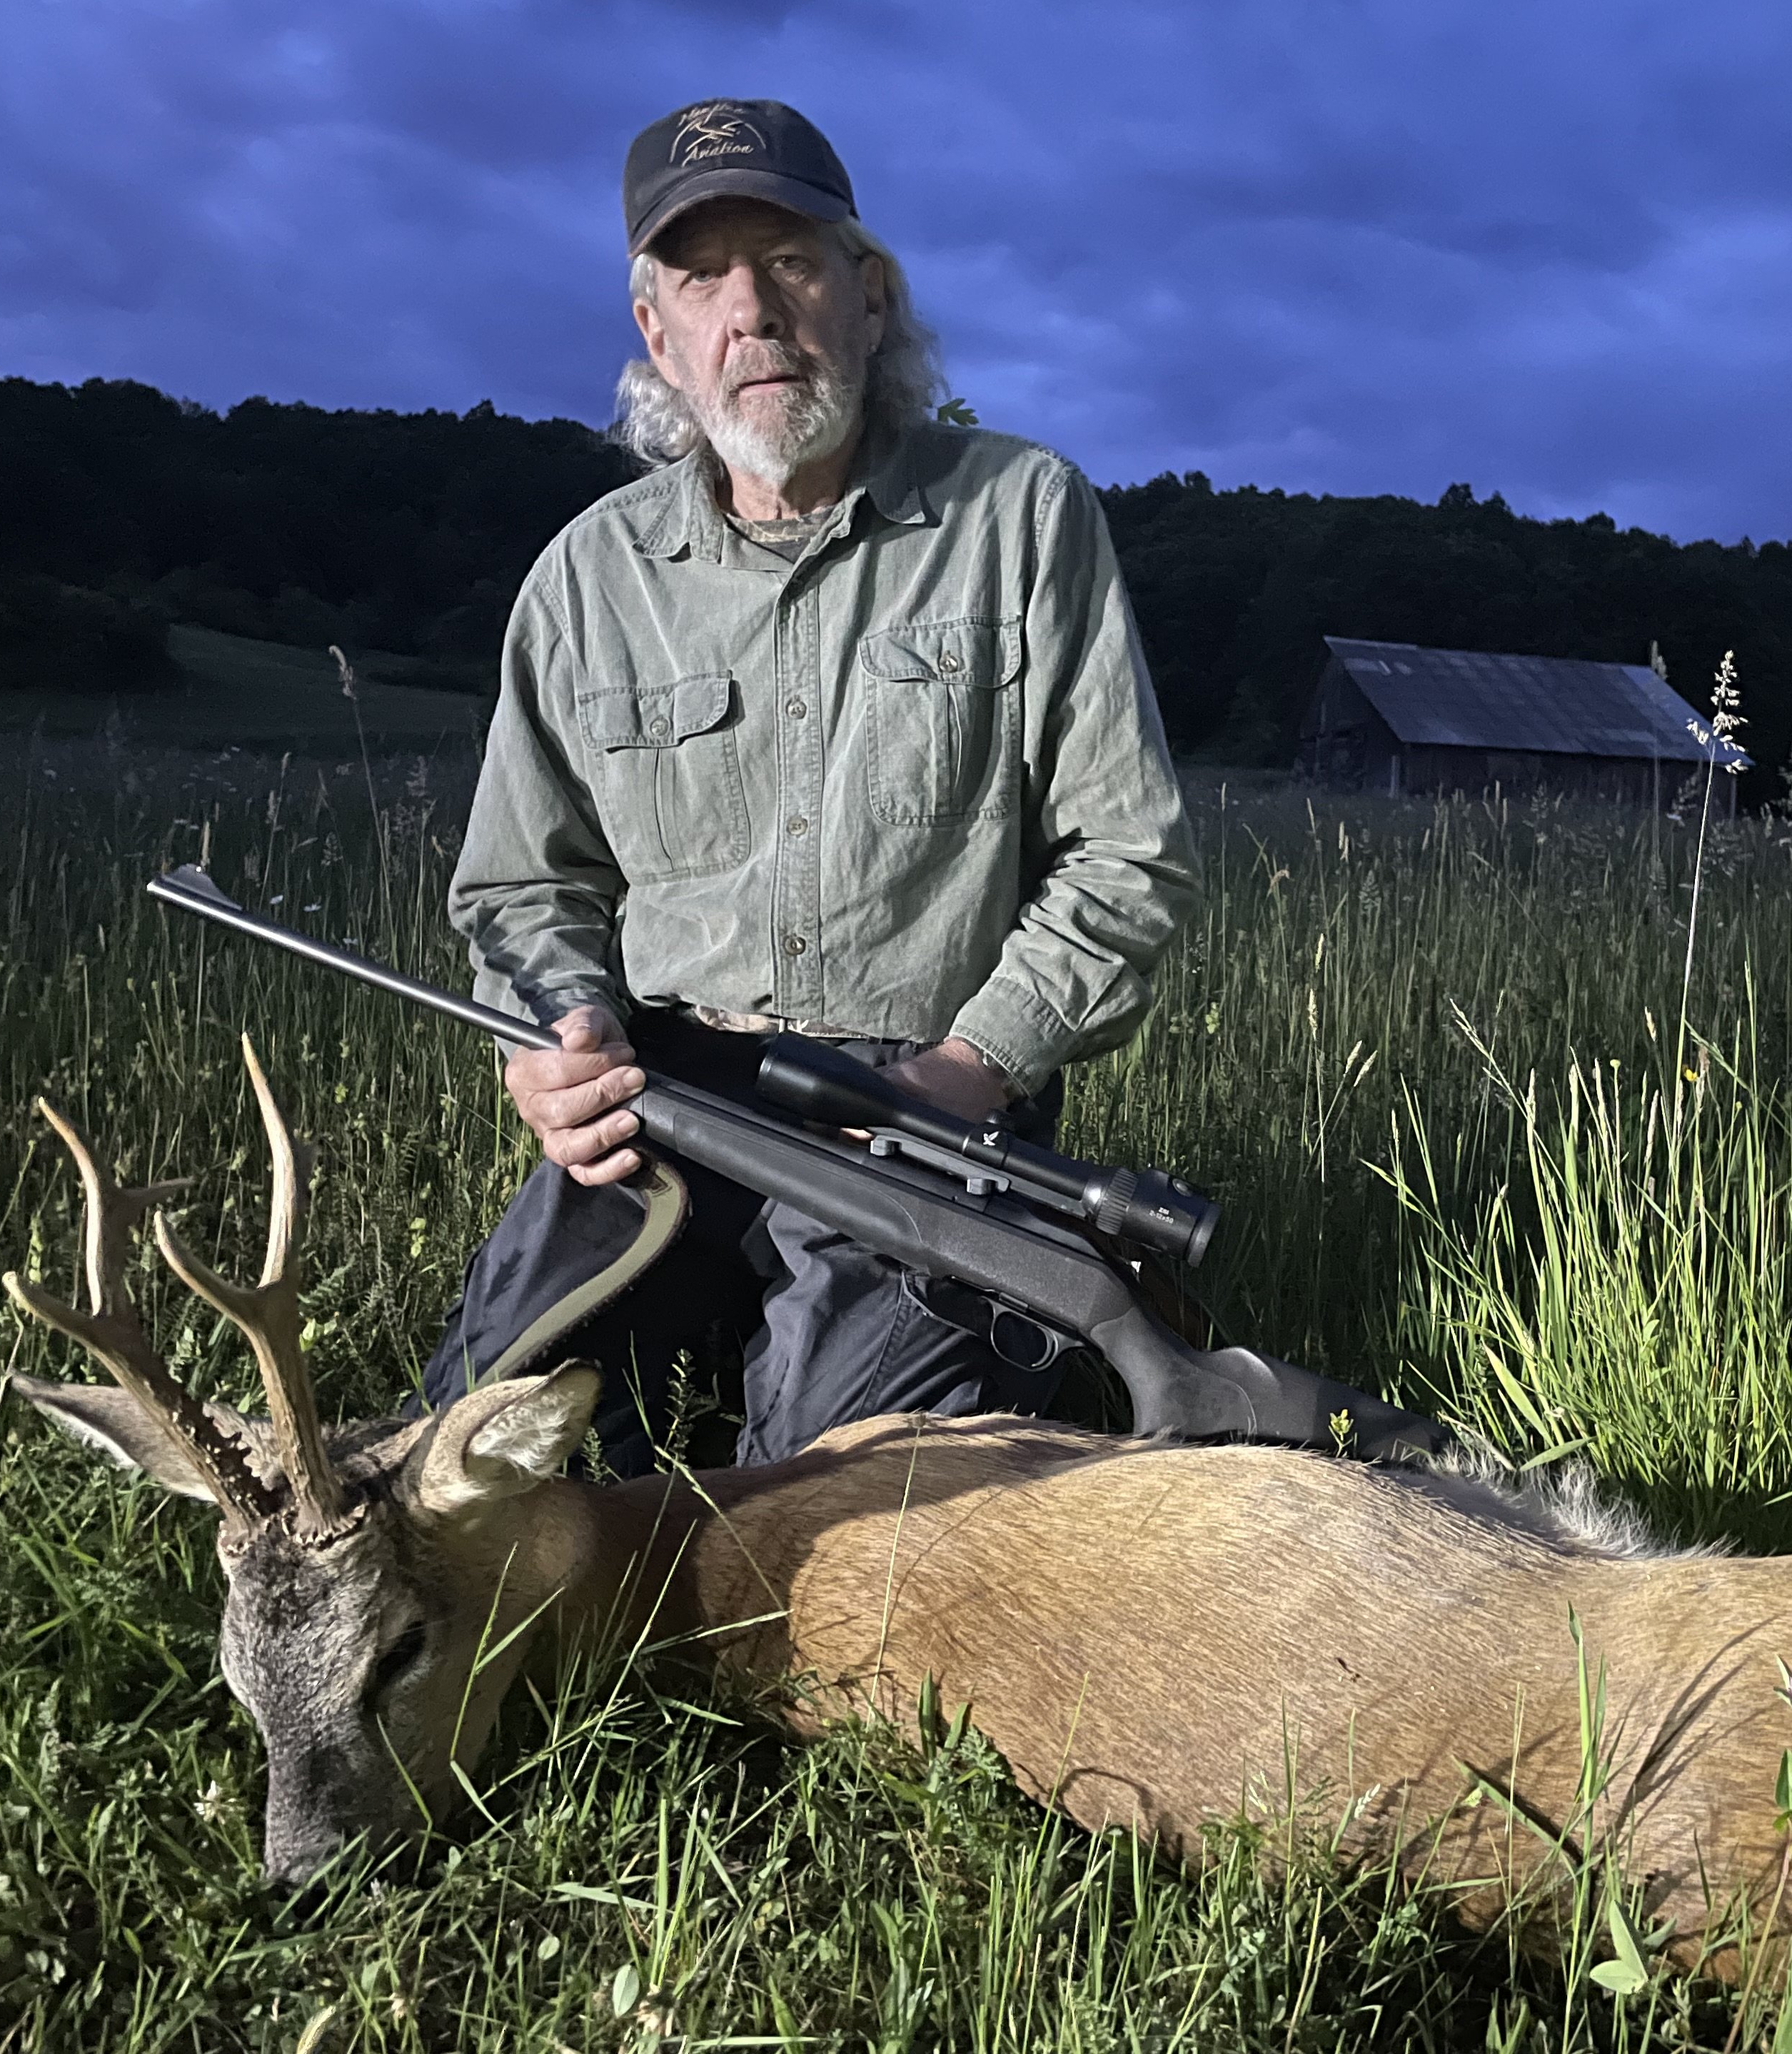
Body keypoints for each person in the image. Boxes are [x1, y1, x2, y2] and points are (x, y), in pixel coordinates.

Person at [417, 98, 1203, 1474]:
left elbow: (1127, 857)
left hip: (917, 1104)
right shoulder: (587, 580)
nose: (753, 315)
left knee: (858, 1501)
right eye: (701, 278)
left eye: (791, 262)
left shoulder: (1021, 517)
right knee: (479, 1458)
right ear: (658, 337)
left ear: (871, 295)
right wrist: (553, 1037)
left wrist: (970, 1069)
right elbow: (525, 885)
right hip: (662, 1102)